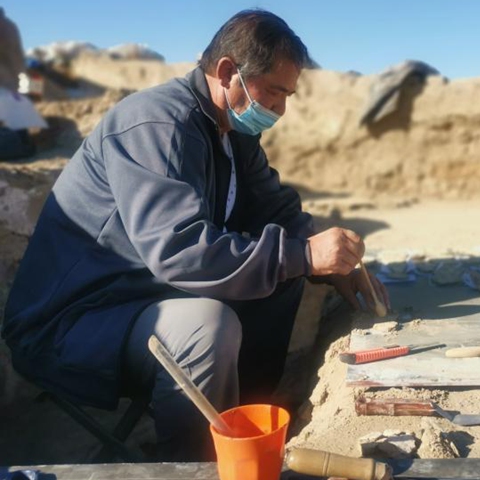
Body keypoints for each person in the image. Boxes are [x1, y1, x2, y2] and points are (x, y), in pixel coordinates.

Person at [2, 9, 390, 460]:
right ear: (228, 73)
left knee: (280, 276)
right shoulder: (157, 125)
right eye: (275, 91)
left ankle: (246, 422)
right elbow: (180, 252)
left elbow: (276, 211)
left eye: (289, 94)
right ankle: (193, 463)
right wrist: (304, 254)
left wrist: (330, 263)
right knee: (206, 328)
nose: (281, 108)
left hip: (139, 298)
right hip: (71, 318)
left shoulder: (233, 134)